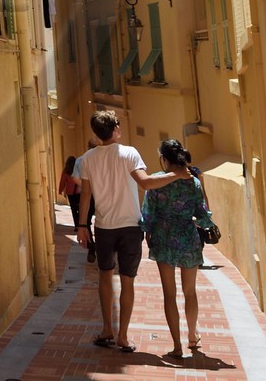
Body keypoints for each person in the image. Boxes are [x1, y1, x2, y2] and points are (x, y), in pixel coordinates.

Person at [75, 110, 187, 354]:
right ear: (115, 128)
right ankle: (123, 336)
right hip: (129, 227)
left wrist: (82, 226)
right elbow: (146, 183)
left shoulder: (87, 159)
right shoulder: (129, 153)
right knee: (127, 281)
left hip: (103, 226)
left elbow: (86, 195)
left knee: (104, 277)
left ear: (96, 133)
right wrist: (175, 175)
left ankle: (107, 329)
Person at [140, 139, 214, 360]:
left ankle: (177, 345)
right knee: (190, 291)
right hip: (188, 237)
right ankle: (192, 335)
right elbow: (203, 213)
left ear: (164, 159)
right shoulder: (193, 181)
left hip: (163, 237)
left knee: (169, 293)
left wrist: (148, 231)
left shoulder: (156, 181)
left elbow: (148, 213)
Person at [58, 156, 81, 232]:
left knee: (74, 209)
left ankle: (76, 226)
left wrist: (60, 190)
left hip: (70, 193)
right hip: (79, 192)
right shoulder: (78, 169)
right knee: (80, 208)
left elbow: (63, 181)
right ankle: (82, 224)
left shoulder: (66, 171)